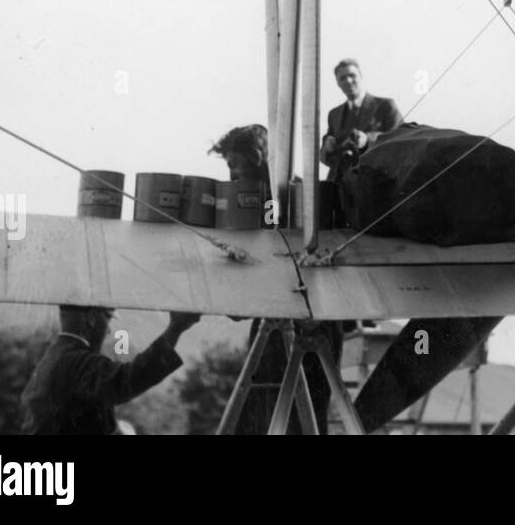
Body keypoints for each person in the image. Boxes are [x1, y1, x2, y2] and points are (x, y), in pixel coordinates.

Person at [209, 122, 345, 435]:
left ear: (256, 158)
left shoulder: (305, 199)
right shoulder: (251, 204)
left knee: (305, 413)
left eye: (234, 166)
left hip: (313, 318)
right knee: (258, 408)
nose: (231, 177)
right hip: (274, 318)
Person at [21, 306, 199, 435]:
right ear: (91, 318)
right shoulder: (79, 362)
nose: (108, 331)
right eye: (108, 319)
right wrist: (175, 328)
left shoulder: (57, 356)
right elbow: (129, 379)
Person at [321, 58, 403, 178]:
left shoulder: (385, 106)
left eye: (352, 75)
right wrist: (327, 149)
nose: (348, 80)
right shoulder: (334, 114)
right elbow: (326, 159)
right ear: (338, 83)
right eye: (342, 78)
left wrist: (367, 140)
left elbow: (402, 140)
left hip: (377, 180)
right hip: (340, 183)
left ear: (361, 77)